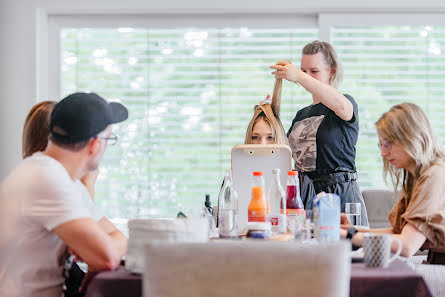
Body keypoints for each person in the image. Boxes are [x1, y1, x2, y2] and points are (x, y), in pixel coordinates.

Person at [0, 92, 129, 297]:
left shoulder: (61, 178)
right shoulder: (46, 178)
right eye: (109, 139)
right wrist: (101, 249)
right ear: (95, 145)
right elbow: (107, 257)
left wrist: (100, 247)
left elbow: (115, 238)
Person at [270, 40, 368, 225]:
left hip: (340, 195)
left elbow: (342, 107)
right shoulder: (301, 115)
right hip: (306, 195)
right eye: (303, 70)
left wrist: (299, 76)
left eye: (314, 71)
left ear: (331, 71)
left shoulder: (344, 103)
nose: (306, 75)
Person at [341, 103, 445, 263]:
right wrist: (352, 230)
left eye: (388, 144)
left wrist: (348, 236)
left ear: (411, 138)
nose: (383, 153)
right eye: (381, 145)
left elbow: (406, 246)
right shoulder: (417, 175)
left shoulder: (434, 175)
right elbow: (399, 234)